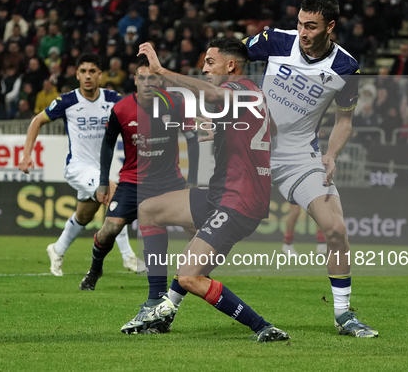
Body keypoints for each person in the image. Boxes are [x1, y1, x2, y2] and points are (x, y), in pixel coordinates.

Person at [117, 38, 289, 342]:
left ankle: (263, 327)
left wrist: (160, 70)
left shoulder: (236, 90)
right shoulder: (253, 93)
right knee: (149, 210)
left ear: (231, 66)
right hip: (223, 194)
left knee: (189, 275)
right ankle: (158, 306)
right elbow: (270, 128)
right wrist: (224, 126)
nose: (205, 68)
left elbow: (211, 92)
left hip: (237, 200)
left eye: (210, 62)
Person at [240, 0, 377, 337]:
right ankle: (167, 303)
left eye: (311, 26)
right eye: (300, 23)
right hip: (251, 150)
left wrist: (330, 155)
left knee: (336, 229)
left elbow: (344, 121)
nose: (302, 31)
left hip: (300, 158)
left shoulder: (346, 67)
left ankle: (343, 315)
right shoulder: (276, 40)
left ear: (330, 27)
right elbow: (228, 57)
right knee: (210, 229)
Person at [78, 54, 200, 291]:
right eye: (143, 78)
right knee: (109, 230)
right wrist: (104, 182)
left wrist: (192, 180)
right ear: (135, 80)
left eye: (152, 78)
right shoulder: (121, 109)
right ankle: (94, 271)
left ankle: (197, 274)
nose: (148, 83)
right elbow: (107, 145)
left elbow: (192, 139)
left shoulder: (175, 104)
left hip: (169, 182)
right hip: (132, 183)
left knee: (196, 228)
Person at [18, 53, 139, 276]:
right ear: (77, 74)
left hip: (100, 169)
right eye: (83, 71)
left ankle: (57, 248)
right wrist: (26, 155)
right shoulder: (68, 101)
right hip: (78, 167)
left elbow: (137, 115)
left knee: (83, 215)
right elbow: (37, 121)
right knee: (115, 196)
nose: (87, 76)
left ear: (100, 75)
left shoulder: (113, 99)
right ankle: (128, 257)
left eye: (92, 71)